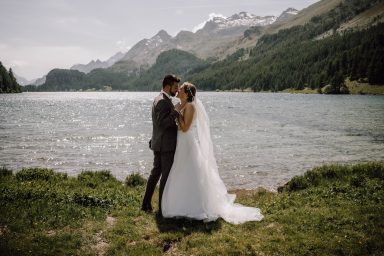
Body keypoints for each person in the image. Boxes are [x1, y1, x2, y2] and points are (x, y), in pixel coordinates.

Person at [161, 82, 264, 224]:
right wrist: (177, 110)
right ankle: (180, 203)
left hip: (187, 143)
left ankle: (193, 206)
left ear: (187, 93)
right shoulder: (184, 105)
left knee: (189, 172)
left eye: (181, 88)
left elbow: (185, 128)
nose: (178, 90)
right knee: (181, 171)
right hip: (182, 143)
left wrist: (176, 112)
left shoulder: (190, 106)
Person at [141, 74, 183, 214]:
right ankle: (162, 208)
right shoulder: (162, 101)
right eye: (175, 87)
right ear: (167, 86)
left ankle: (146, 204)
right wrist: (177, 110)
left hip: (160, 143)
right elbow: (163, 123)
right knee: (165, 176)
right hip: (165, 145)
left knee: (155, 174)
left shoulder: (160, 99)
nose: (177, 90)